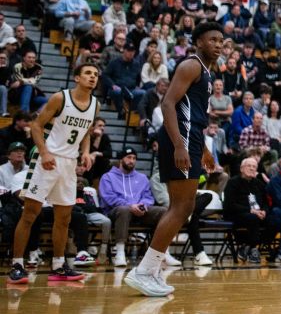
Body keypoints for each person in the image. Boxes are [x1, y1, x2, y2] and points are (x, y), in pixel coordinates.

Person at [124, 21, 224, 297]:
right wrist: (180, 146)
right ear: (199, 42)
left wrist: (202, 148)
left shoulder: (205, 71)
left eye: (221, 40)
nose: (218, 44)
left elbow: (193, 116)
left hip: (189, 140)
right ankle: (144, 271)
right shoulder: (191, 65)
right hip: (177, 140)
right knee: (180, 207)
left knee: (185, 205)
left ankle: (151, 269)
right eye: (212, 39)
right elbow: (167, 104)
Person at [7, 64, 100, 284]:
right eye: (88, 73)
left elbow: (86, 132)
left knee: (64, 217)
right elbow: (37, 126)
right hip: (47, 160)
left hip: (69, 164)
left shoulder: (95, 104)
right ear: (77, 78)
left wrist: (85, 152)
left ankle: (58, 266)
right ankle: (17, 264)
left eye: (96, 75)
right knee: (30, 214)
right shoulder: (61, 98)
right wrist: (45, 152)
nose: (92, 77)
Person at [99, 148, 169, 267]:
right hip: (116, 212)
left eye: (134, 158)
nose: (132, 161)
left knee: (163, 211)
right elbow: (109, 198)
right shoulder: (108, 177)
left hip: (140, 212)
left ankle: (162, 252)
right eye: (129, 157)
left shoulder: (142, 178)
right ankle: (120, 253)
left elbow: (148, 196)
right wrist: (130, 205)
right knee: (124, 209)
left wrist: (144, 205)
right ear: (121, 159)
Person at [223, 156, 268, 263]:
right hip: (236, 214)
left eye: (254, 166)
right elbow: (229, 204)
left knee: (274, 220)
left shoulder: (259, 184)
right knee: (253, 218)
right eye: (249, 166)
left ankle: (246, 247)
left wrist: (264, 211)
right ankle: (253, 248)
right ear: (241, 168)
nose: (252, 168)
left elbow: (266, 202)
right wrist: (251, 210)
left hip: (256, 213)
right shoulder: (233, 182)